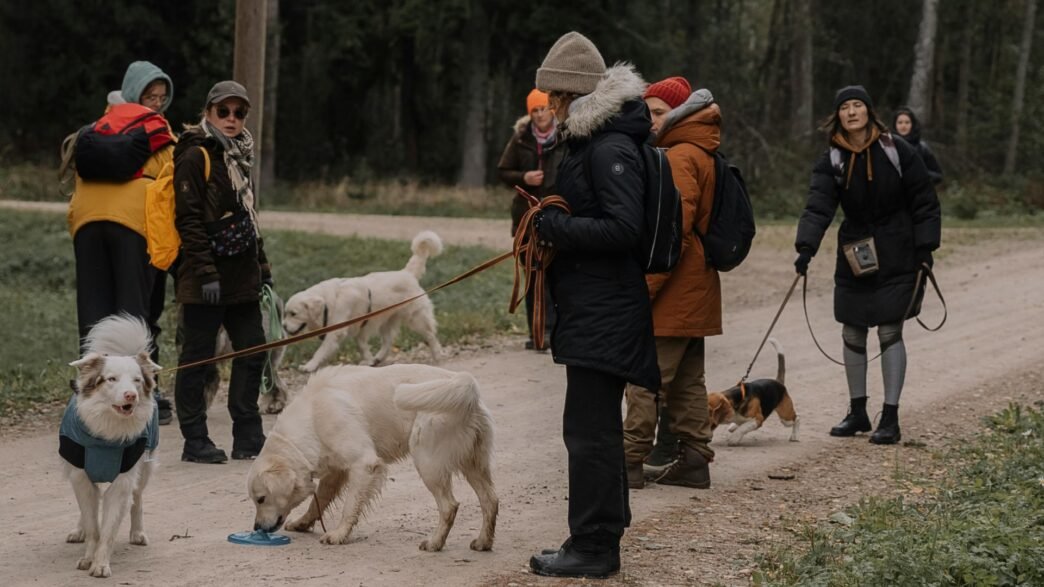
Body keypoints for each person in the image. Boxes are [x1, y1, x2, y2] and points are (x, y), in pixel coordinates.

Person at [526, 32, 659, 579]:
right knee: (591, 429)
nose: (548, 107)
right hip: (592, 308)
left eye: (553, 96)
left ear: (571, 96)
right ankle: (599, 532)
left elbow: (625, 228)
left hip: (606, 311)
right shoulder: (593, 143)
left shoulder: (608, 148)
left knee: (589, 433)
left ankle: (595, 547)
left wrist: (555, 226)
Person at [794, 85, 941, 445]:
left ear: (869, 111)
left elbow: (924, 200)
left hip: (899, 248)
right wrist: (806, 247)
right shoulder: (832, 158)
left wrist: (925, 247)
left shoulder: (897, 150)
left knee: (890, 331)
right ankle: (857, 412)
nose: (852, 111)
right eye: (845, 107)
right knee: (852, 330)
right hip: (855, 251)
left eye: (858, 104)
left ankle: (889, 417)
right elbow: (818, 206)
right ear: (838, 116)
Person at [623, 76, 722, 490]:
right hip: (696, 286)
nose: (650, 121)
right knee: (686, 378)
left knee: (644, 375)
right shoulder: (697, 149)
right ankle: (695, 458)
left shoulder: (680, 156)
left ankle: (627, 462)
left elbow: (673, 232)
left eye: (659, 113)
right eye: (646, 113)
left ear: (679, 114)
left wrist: (645, 288)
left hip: (676, 286)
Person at [67, 60, 176, 424]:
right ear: (134, 94)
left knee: (94, 311)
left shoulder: (96, 131)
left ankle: (86, 393)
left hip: (87, 221)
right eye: (151, 96)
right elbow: (168, 189)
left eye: (162, 97)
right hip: (133, 224)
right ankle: (148, 394)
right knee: (133, 312)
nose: (157, 104)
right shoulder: (156, 134)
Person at [173, 81, 272, 464]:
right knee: (198, 358)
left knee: (253, 350)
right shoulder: (196, 155)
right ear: (209, 112)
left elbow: (250, 219)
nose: (232, 119)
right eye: (224, 112)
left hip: (242, 276)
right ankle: (194, 439)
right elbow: (189, 220)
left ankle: (248, 436)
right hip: (204, 279)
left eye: (239, 113)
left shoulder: (240, 157)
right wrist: (205, 272)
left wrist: (263, 268)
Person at [497, 88, 566, 350]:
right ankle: (538, 333)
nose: (539, 115)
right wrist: (523, 177)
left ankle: (559, 333)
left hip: (557, 215)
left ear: (552, 109)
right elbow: (503, 171)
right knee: (533, 278)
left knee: (557, 276)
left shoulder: (565, 136)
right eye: (534, 110)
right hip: (526, 218)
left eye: (544, 109)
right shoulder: (520, 138)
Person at [893, 107, 943, 185]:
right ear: (895, 125)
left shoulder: (922, 148)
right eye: (900, 122)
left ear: (912, 124)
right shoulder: (887, 146)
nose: (903, 126)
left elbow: (938, 176)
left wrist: (919, 174)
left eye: (907, 122)